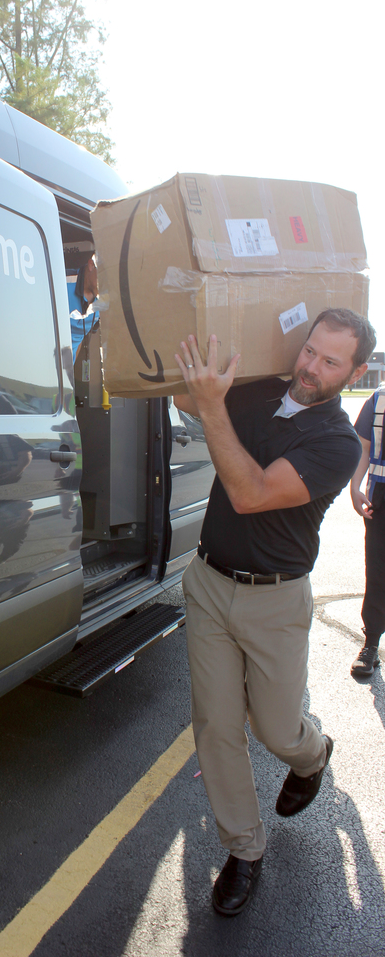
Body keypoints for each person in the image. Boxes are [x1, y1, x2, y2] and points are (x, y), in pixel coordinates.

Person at [173, 307, 375, 917]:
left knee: (275, 727)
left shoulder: (336, 444)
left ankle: (312, 755)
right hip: (208, 581)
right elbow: (192, 404)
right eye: (310, 350)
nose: (311, 368)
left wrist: (210, 408)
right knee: (215, 725)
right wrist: (193, 387)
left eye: (330, 361)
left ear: (356, 371)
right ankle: (244, 849)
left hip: (276, 600)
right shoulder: (258, 391)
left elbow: (250, 492)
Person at [349, 383, 385, 677]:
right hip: (381, 498)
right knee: (378, 571)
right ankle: (371, 644)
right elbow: (363, 444)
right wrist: (355, 485)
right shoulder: (380, 397)